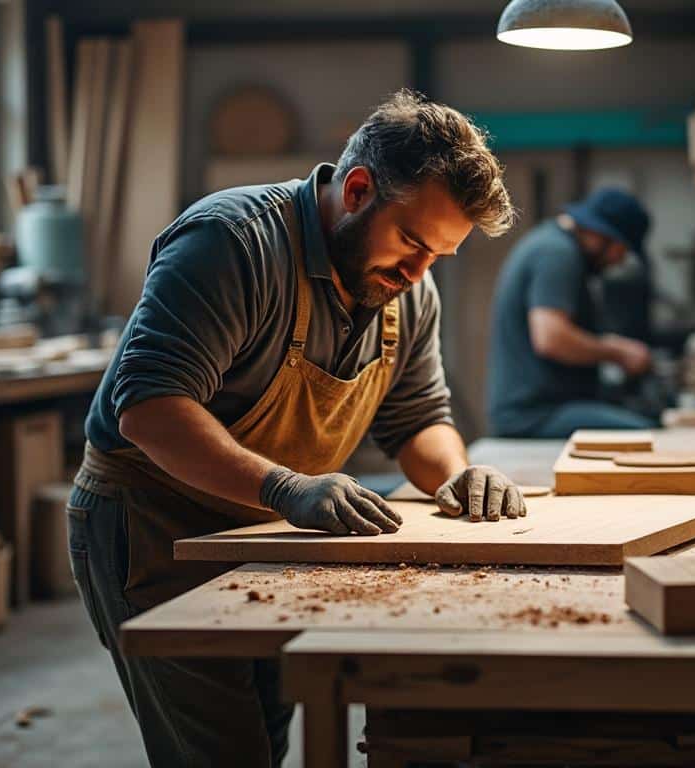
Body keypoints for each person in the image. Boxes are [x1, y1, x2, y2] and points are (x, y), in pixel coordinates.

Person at [68, 90, 526, 767]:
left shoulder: (409, 289)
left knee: (268, 733)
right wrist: (286, 490)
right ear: (359, 190)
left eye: (437, 256)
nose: (417, 274)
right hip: (154, 524)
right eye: (411, 244)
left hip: (268, 529)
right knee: (220, 752)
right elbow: (150, 408)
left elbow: (417, 418)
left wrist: (457, 474)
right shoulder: (232, 242)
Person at [487, 187, 656, 438]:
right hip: (533, 414)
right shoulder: (557, 253)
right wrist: (617, 351)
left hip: (547, 406)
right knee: (646, 433)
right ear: (602, 235)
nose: (619, 261)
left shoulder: (553, 245)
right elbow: (550, 338)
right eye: (621, 250)